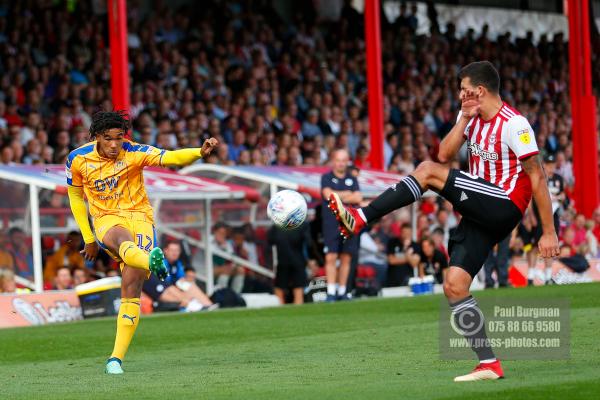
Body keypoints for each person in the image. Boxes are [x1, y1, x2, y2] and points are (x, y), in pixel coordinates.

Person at [328, 61, 559, 381]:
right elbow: (444, 154)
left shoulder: (515, 124)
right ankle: (489, 363)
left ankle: (361, 216)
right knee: (454, 285)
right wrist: (464, 117)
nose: (460, 95)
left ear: (479, 90)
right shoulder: (471, 117)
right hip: (481, 209)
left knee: (425, 171)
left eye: (464, 90)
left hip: (504, 202)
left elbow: (537, 176)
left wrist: (549, 232)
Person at [66, 110, 218, 375]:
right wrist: (88, 237)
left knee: (131, 286)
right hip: (106, 218)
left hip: (140, 218)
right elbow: (76, 196)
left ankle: (115, 359)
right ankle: (152, 261)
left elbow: (167, 157)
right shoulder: (77, 159)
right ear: (96, 137)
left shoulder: (134, 151)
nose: (115, 144)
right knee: (120, 237)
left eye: (118, 138)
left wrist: (198, 152)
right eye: (107, 138)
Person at [321, 148, 362, 301]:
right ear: (333, 161)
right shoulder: (326, 177)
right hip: (331, 223)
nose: (340, 164)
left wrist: (337, 195)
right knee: (331, 256)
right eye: (338, 160)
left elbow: (358, 196)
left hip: (348, 222)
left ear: (347, 162)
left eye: (343, 161)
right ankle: (331, 292)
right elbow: (327, 195)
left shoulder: (353, 178)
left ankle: (342, 291)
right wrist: (347, 194)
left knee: (346, 257)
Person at [527, 153, 565, 285]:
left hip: (553, 215)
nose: (550, 167)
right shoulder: (539, 177)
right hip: (538, 215)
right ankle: (530, 276)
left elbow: (562, 194)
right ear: (543, 165)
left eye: (552, 165)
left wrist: (560, 197)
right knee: (532, 245)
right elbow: (530, 197)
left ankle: (548, 276)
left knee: (552, 246)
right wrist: (530, 215)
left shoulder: (559, 178)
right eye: (548, 165)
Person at [268, 222, 311, 305]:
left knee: (279, 289)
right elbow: (308, 243)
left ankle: (280, 313)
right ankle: (298, 313)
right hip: (297, 261)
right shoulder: (302, 225)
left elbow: (270, 240)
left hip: (283, 261)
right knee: (298, 291)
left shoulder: (277, 226)